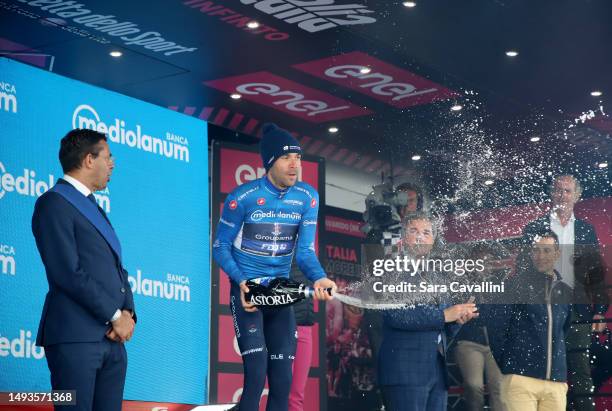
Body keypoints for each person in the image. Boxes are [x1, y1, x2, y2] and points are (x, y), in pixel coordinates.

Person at [212, 123, 336, 411]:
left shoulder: (307, 197)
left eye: (298, 158)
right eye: (286, 158)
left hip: (280, 292)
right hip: (249, 291)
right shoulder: (242, 197)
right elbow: (220, 246)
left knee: (282, 381)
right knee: (255, 376)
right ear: (269, 162)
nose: (295, 165)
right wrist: (242, 282)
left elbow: (304, 252)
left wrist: (320, 278)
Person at [32, 129, 136, 411]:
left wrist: (129, 314)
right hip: (75, 338)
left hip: (112, 341)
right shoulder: (53, 204)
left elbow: (117, 268)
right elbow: (67, 272)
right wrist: (115, 315)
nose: (112, 163)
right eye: (108, 156)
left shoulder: (93, 207)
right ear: (89, 160)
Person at [522, 175, 608, 411]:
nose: (562, 195)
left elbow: (595, 271)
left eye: (568, 191)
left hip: (577, 308)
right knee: (542, 367)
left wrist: (600, 311)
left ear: (577, 196)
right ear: (552, 193)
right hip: (542, 308)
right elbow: (524, 270)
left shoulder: (586, 230)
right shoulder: (534, 228)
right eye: (558, 190)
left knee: (580, 369)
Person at [378, 212, 478, 411]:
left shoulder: (437, 276)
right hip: (405, 370)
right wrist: (444, 315)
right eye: (414, 231)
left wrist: (456, 322)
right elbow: (395, 315)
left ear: (432, 240)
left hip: (436, 371)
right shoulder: (391, 268)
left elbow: (441, 328)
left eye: (426, 232)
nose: (420, 236)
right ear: (404, 237)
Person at [489, 231, 573, 411]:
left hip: (556, 383)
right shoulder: (514, 286)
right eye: (536, 250)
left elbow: (563, 330)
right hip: (520, 380)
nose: (541, 256)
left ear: (557, 254)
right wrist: (510, 365)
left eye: (547, 250)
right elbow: (496, 328)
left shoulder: (565, 291)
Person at [288, 264, 315, 411]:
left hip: (305, 327)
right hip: (284, 326)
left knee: (297, 394)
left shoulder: (308, 251)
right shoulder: (279, 244)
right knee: (282, 389)